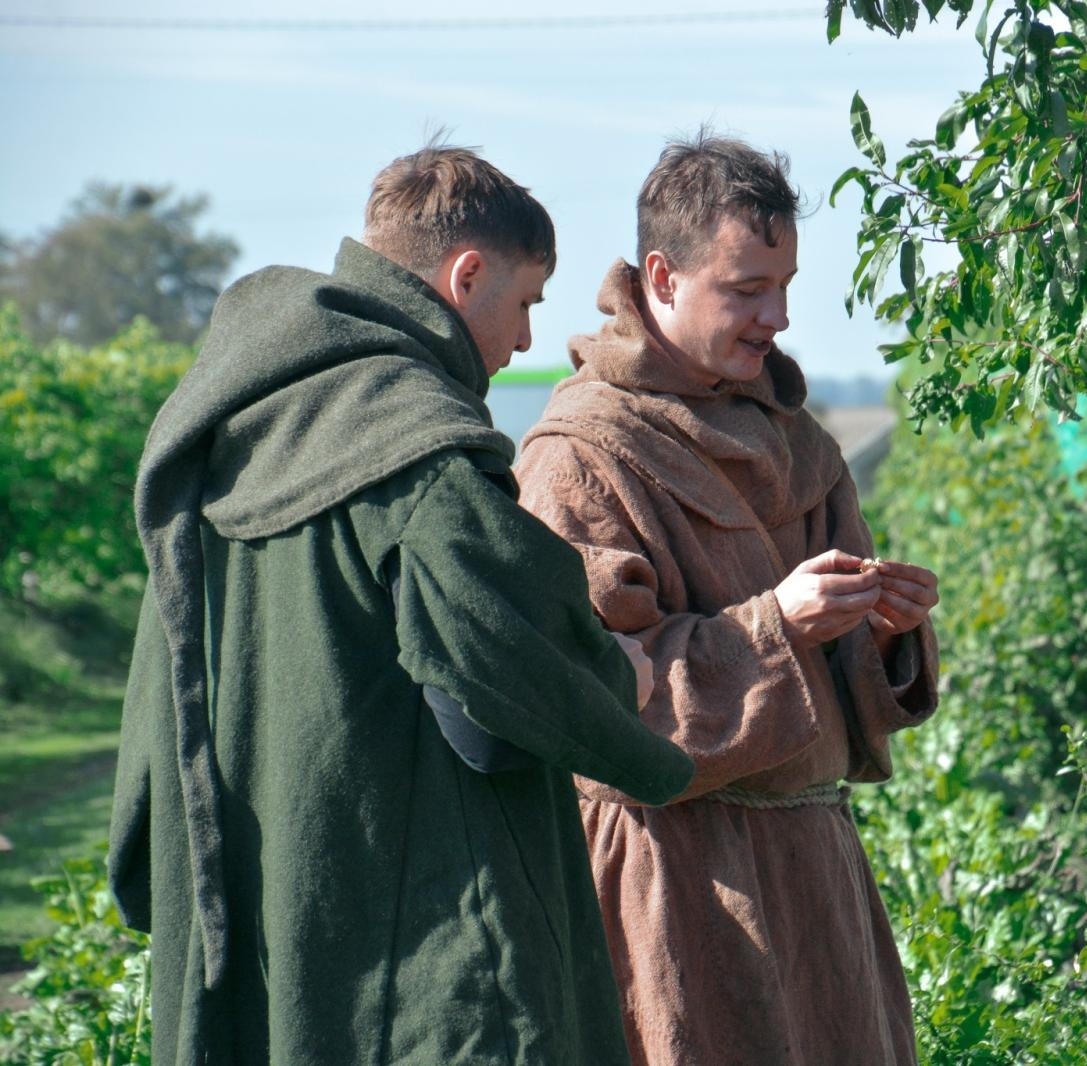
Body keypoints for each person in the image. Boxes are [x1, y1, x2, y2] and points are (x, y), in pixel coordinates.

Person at [108, 143, 695, 1065]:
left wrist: (150, 854)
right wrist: (635, 722)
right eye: (526, 302)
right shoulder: (416, 439)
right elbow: (516, 658)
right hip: (427, 929)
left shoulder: (222, 420)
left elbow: (166, 660)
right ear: (466, 276)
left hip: (256, 907)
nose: (526, 342)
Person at [513, 131, 941, 1065]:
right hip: (677, 887)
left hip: (815, 878)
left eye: (783, 287)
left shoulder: (799, 444)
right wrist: (774, 624)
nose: (776, 317)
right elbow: (591, 697)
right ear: (662, 277)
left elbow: (843, 687)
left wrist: (884, 632)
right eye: (746, 290)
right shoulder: (579, 457)